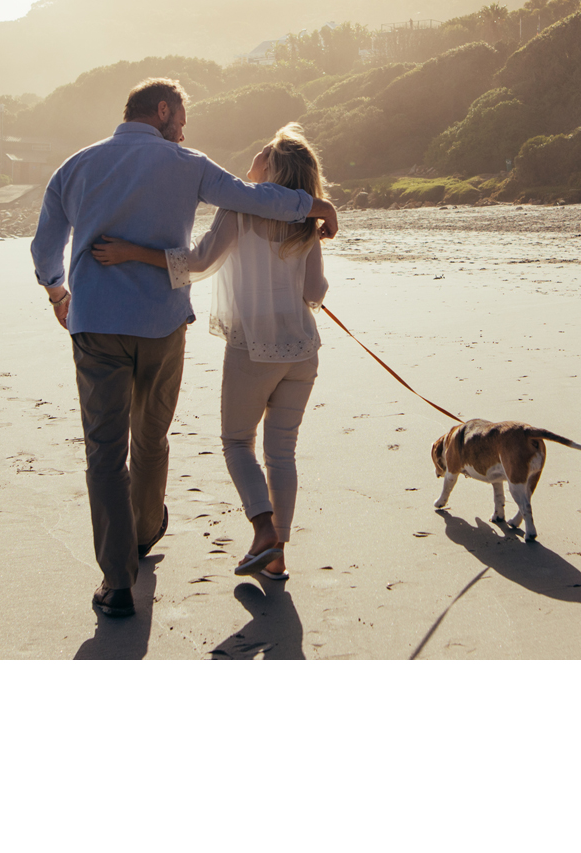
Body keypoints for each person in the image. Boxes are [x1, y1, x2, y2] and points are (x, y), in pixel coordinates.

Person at [30, 81, 338, 618]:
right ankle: (151, 531)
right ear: (165, 111)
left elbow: (44, 248)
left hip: (97, 322)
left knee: (105, 451)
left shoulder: (74, 166)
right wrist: (313, 203)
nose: (185, 128)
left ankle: (117, 580)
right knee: (152, 438)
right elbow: (253, 199)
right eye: (183, 117)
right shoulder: (188, 163)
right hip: (164, 325)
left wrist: (58, 290)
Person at [92, 124, 330, 582]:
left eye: (262, 151)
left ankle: (264, 534)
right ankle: (276, 553)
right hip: (302, 352)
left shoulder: (238, 210)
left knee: (238, 443)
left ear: (273, 168)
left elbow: (196, 263)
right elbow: (315, 291)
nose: (253, 156)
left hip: (253, 350)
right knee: (283, 454)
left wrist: (130, 252)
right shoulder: (307, 222)